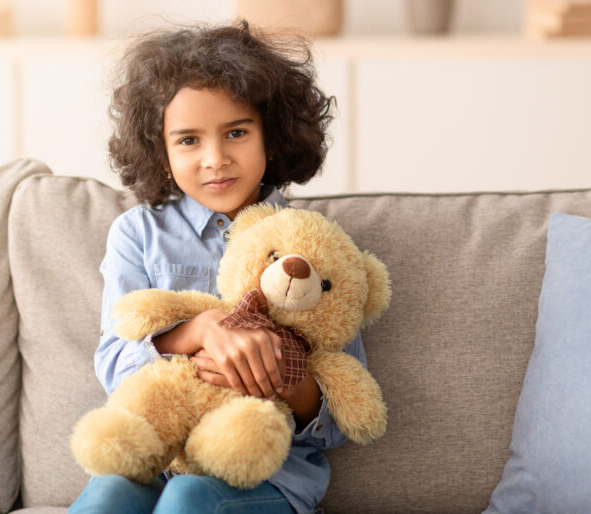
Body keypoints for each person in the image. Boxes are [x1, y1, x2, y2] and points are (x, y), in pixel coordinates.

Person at [69, 21, 371, 514]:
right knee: (107, 493)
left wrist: (280, 375)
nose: (216, 159)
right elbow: (116, 368)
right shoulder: (137, 235)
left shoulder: (312, 245)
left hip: (267, 475)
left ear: (270, 138)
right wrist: (198, 331)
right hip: (157, 460)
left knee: (189, 499)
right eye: (188, 140)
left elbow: (344, 420)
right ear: (161, 154)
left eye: (235, 132)